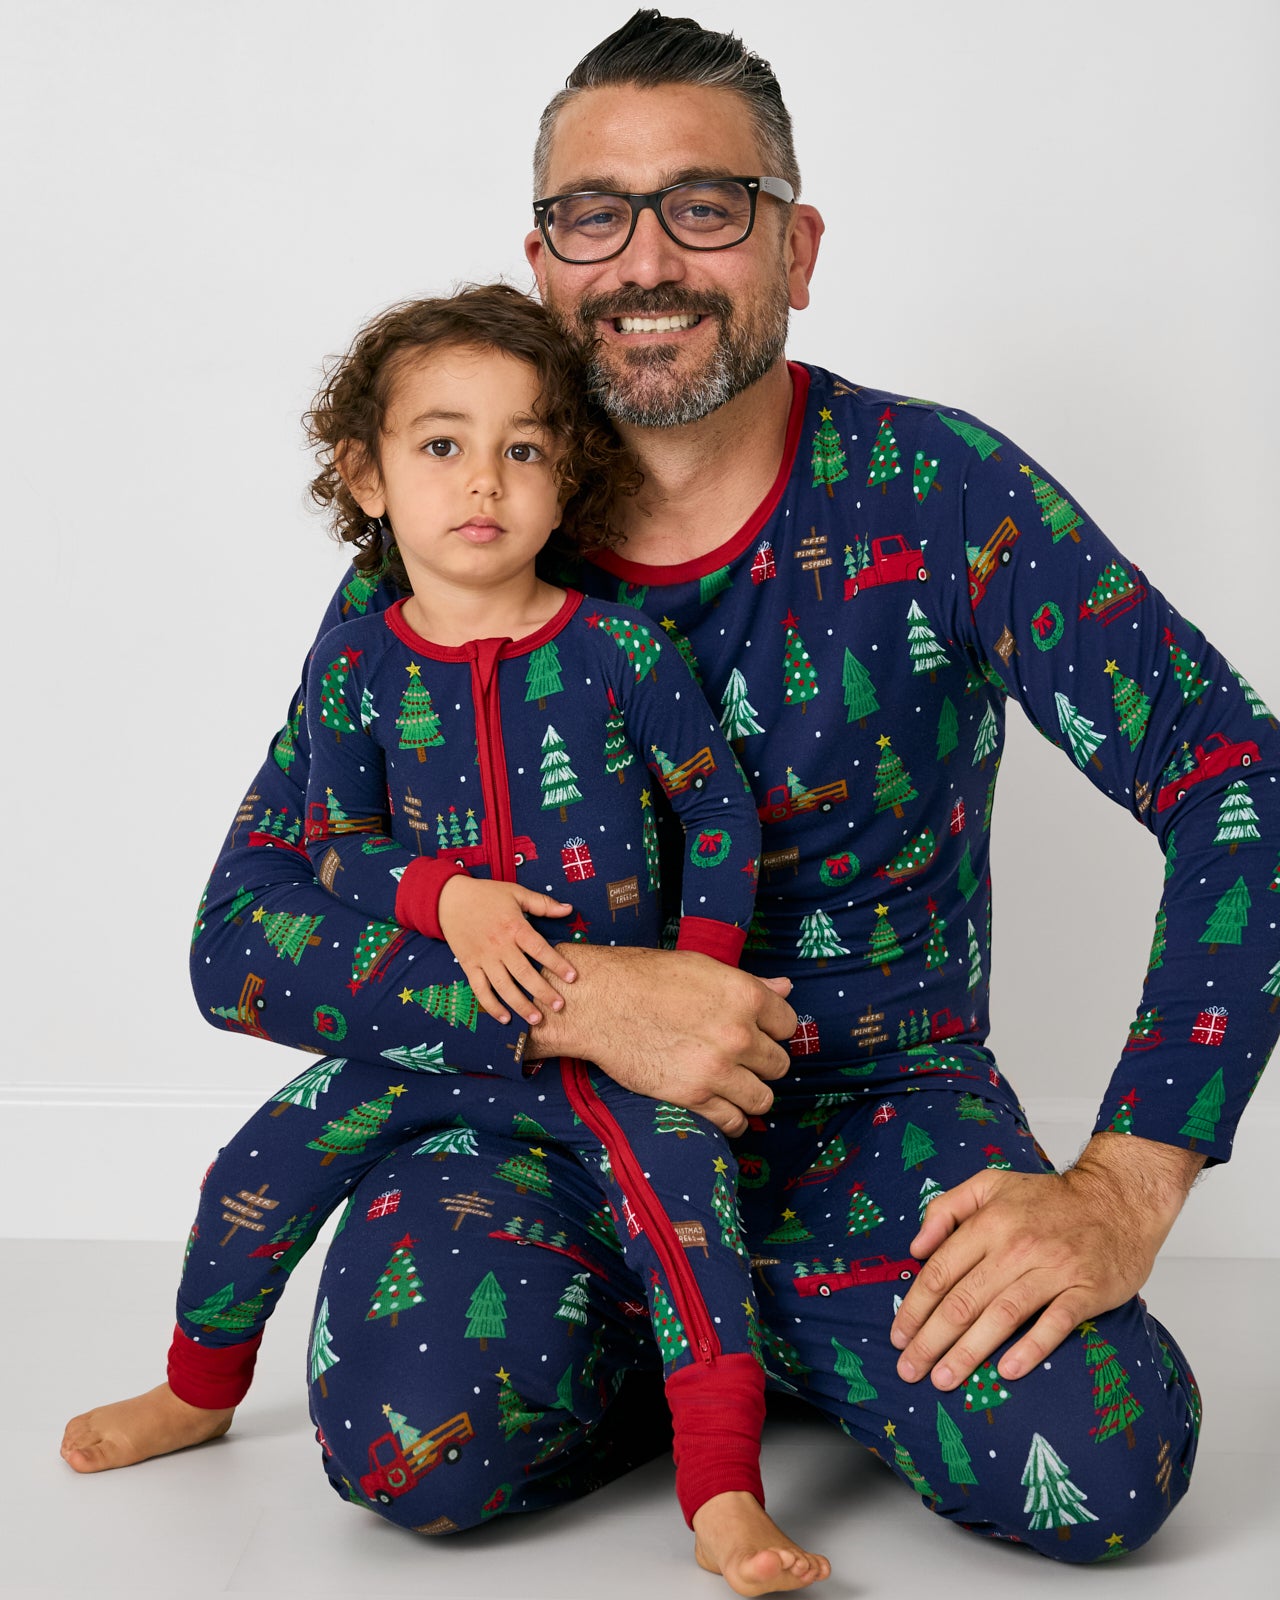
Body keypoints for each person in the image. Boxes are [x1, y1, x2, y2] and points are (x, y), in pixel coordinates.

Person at [69, 6, 1279, 1584]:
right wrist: (573, 1002)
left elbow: (1235, 771)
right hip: (530, 1131)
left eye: (708, 207)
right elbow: (243, 934)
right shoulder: (449, 547)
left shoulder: (943, 489)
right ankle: (679, 1343)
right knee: (402, 1448)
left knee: (1110, 1470)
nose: (647, 259)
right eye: (596, 214)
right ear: (543, 256)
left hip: (871, 1122)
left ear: (797, 247)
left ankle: (778, 1335)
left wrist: (1131, 1174)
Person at [62, 282, 834, 1590]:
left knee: (692, 1235)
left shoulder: (621, 653)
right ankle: (198, 1389)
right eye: (441, 444)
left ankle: (723, 1500)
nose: (484, 479)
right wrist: (448, 903)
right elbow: (332, 845)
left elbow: (717, 808)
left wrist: (693, 969)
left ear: (566, 480)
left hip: (618, 1066)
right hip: (437, 1056)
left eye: (523, 448)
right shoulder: (360, 667)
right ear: (365, 476)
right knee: (257, 1166)